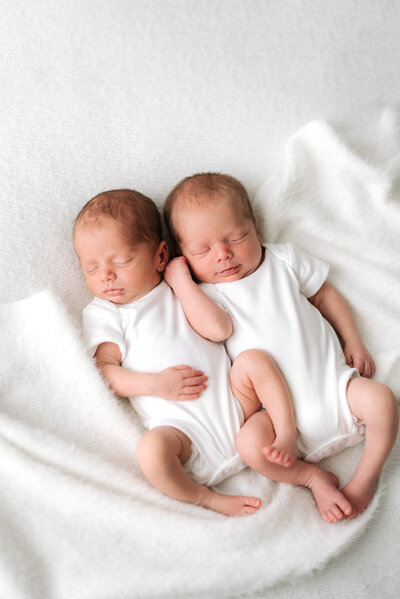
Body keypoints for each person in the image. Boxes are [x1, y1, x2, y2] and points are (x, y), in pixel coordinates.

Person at [164, 172, 399, 522]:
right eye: (203, 250)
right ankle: (313, 478)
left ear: (257, 230)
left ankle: (366, 478)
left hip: (336, 389)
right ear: (184, 255)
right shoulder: (207, 295)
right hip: (276, 422)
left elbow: (325, 295)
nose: (223, 254)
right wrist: (181, 282)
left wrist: (354, 340)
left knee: (382, 400)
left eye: (236, 237)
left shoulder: (282, 260)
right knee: (248, 445)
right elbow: (215, 330)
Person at [73, 188, 309, 517]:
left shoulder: (180, 286)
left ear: (159, 256)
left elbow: (219, 330)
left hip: (239, 410)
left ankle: (287, 435)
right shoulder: (105, 313)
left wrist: (182, 283)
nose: (106, 275)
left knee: (254, 361)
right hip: (183, 434)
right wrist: (155, 385)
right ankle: (204, 498)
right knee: (151, 451)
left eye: (121, 261)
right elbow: (105, 372)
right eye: (91, 268)